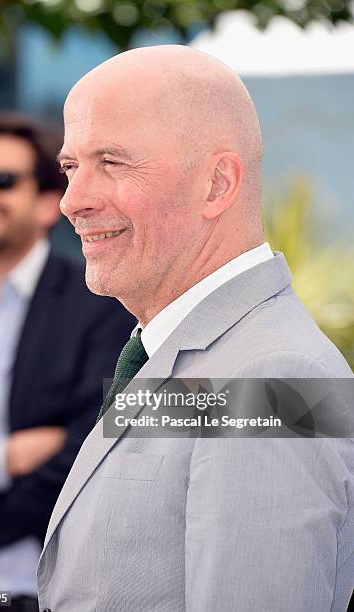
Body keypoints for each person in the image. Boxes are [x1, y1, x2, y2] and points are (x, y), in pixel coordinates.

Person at [37, 46, 354, 612]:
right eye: (70, 167)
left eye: (111, 162)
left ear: (217, 184)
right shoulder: (188, 352)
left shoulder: (273, 377)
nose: (72, 201)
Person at [0, 112, 135, 612]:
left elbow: (93, 453)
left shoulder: (103, 308)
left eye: (2, 180)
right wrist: (8, 456)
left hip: (54, 592)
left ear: (51, 203)